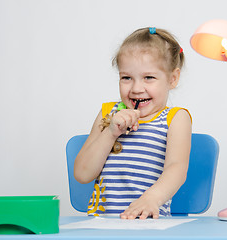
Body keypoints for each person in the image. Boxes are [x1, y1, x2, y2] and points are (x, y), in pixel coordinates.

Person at [74, 27, 192, 219]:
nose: (137, 89)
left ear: (172, 79)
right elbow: (82, 174)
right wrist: (111, 132)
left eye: (149, 78)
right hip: (102, 227)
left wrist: (152, 198)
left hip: (150, 224)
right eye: (126, 78)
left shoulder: (175, 118)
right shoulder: (108, 113)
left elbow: (176, 168)